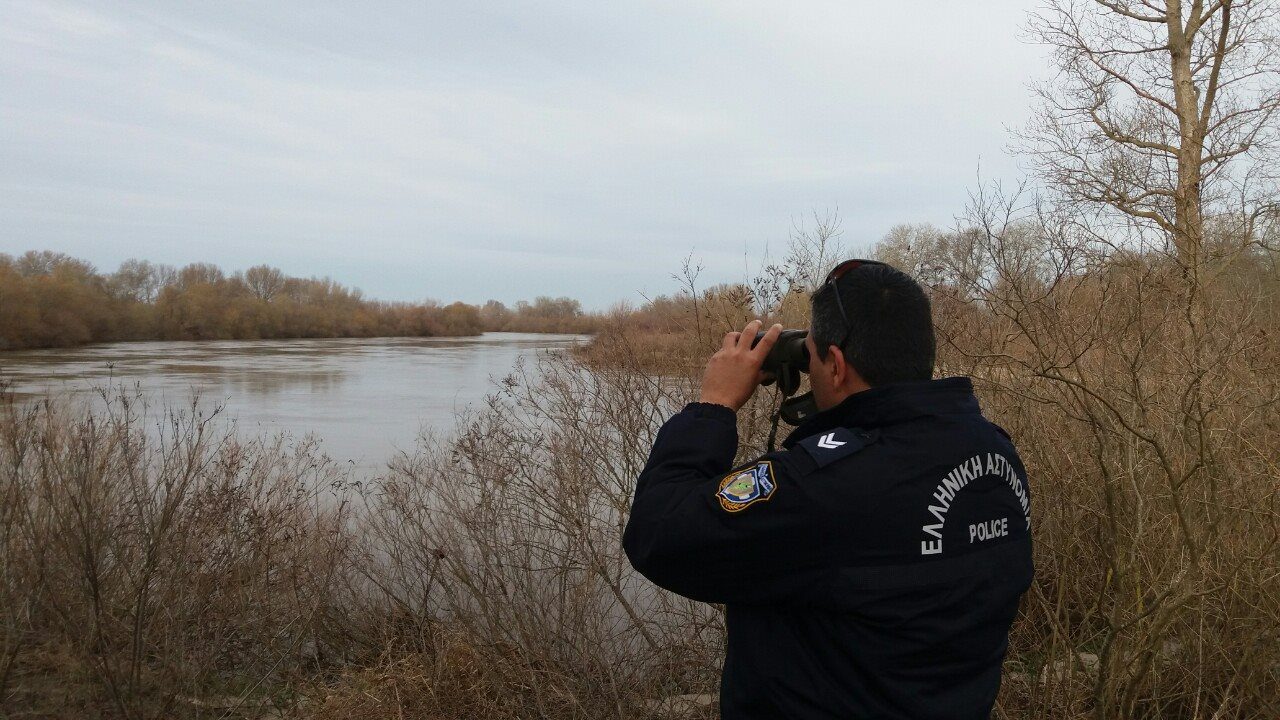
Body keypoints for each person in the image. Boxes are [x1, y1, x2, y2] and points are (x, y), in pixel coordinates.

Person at [623, 259, 1033, 720]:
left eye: (813, 354)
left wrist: (713, 406)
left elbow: (658, 533)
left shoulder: (824, 484)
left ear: (836, 365)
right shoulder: (993, 454)